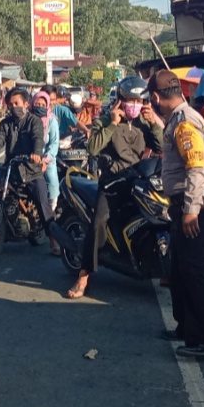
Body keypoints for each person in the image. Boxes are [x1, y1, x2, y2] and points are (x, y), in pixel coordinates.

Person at [66, 76, 163, 299]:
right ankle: (84, 274)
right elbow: (92, 148)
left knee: (157, 216)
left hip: (138, 181)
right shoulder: (104, 120)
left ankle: (161, 267)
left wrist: (153, 123)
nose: (134, 105)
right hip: (112, 183)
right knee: (98, 223)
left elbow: (161, 146)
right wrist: (112, 124)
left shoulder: (143, 123)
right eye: (130, 100)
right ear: (120, 100)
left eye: (139, 101)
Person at [147, 69, 204, 358]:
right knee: (178, 269)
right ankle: (185, 328)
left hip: (197, 205)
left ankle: (202, 339)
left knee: (192, 271)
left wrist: (190, 210)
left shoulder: (185, 121)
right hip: (184, 205)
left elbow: (196, 168)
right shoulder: (176, 119)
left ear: (155, 97)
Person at [0, 88, 64, 255]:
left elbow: (38, 139)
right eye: (10, 104)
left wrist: (37, 154)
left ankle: (54, 241)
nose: (13, 107)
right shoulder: (6, 123)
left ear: (26, 104)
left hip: (31, 171)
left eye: (16, 103)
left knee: (43, 203)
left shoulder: (34, 121)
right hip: (10, 170)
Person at [31, 91, 60, 214]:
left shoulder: (51, 120)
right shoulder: (27, 118)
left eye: (43, 105)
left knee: (51, 178)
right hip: (29, 156)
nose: (40, 107)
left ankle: (52, 206)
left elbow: (54, 143)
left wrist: (46, 159)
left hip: (46, 157)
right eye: (37, 104)